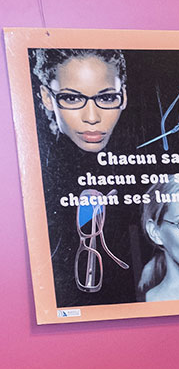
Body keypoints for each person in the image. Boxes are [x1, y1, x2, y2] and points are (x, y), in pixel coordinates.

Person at [31, 48, 137, 306]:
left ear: (122, 96)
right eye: (71, 98)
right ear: (47, 96)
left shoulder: (140, 168)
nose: (92, 118)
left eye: (108, 97)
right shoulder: (38, 176)